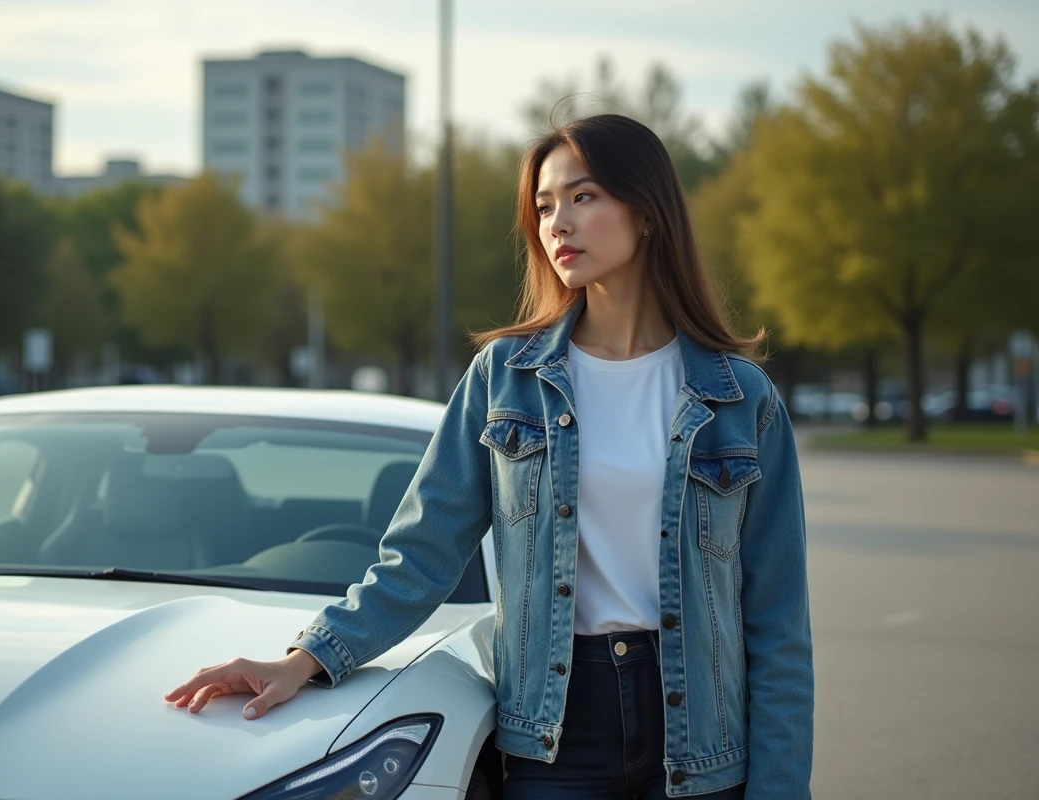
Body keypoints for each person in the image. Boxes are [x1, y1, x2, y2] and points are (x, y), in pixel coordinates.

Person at [164, 113, 814, 799]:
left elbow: (777, 626)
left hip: (702, 738)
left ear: (647, 213)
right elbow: (422, 554)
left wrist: (781, 787)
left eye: (583, 197)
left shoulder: (741, 399)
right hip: (556, 730)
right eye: (544, 206)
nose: (557, 222)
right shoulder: (504, 378)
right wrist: (305, 660)